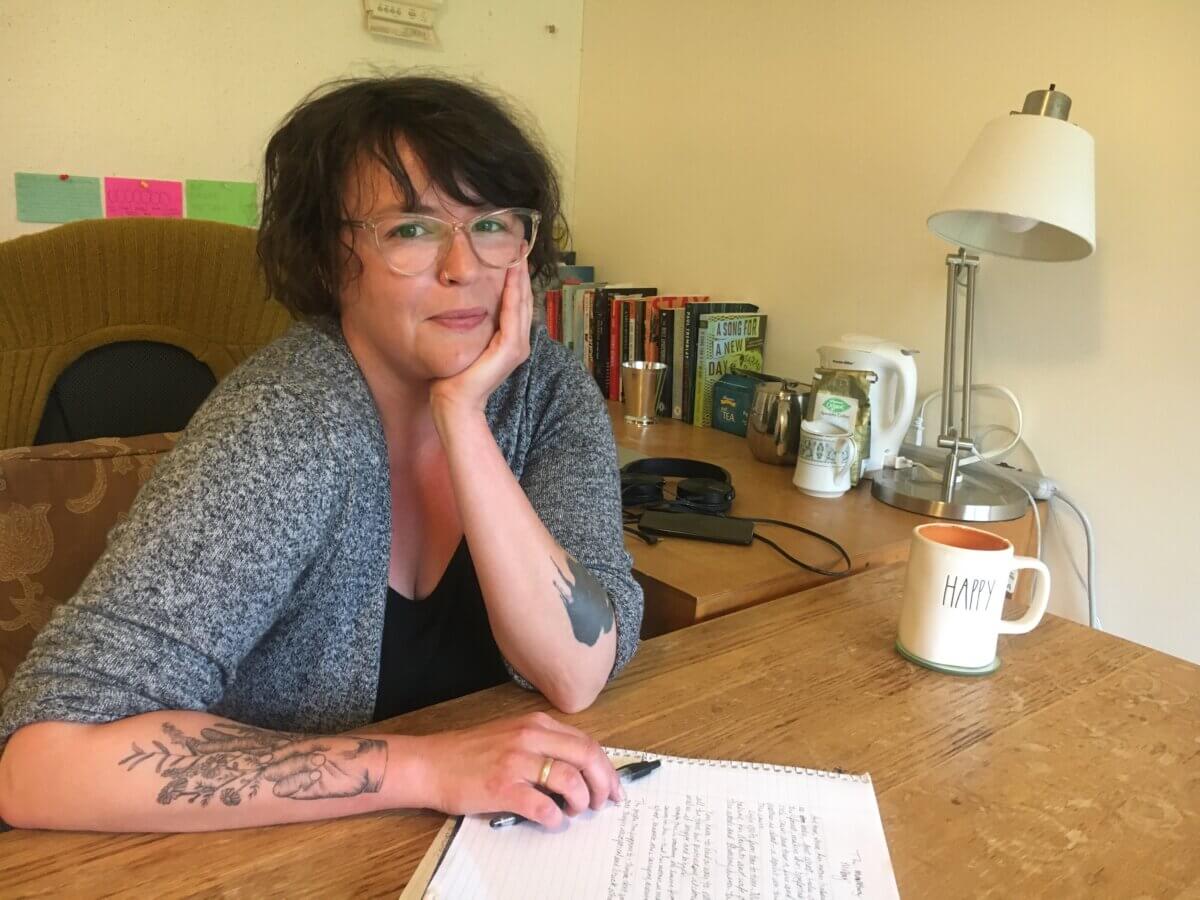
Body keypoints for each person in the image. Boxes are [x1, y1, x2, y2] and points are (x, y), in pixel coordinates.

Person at [0, 74, 643, 832]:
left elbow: (575, 672)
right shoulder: (287, 419)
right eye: (411, 229)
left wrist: (462, 416)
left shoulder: (545, 387)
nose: (464, 267)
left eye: (494, 224)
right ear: (331, 258)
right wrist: (424, 765)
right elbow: (40, 762)